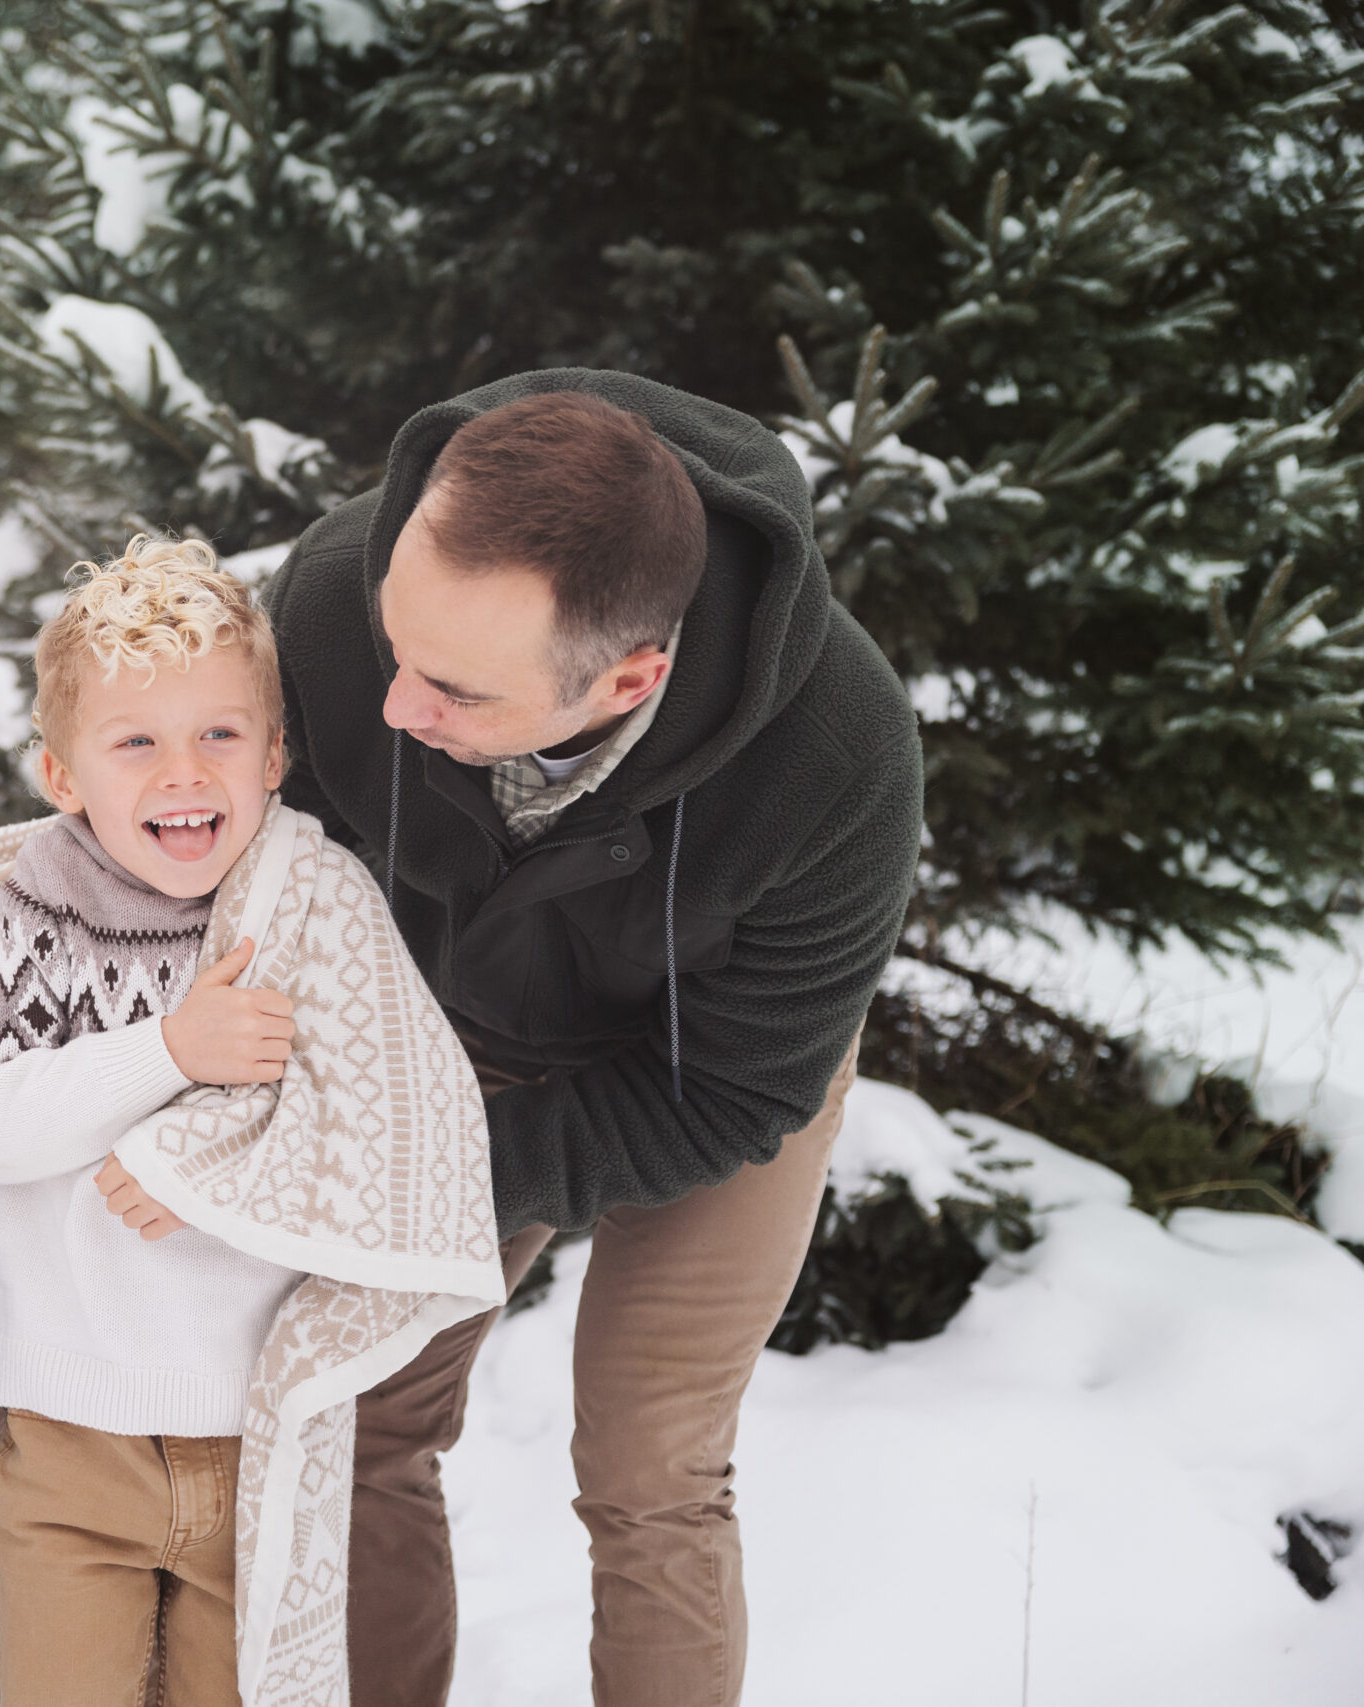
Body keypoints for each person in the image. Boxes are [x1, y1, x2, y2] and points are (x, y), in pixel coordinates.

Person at [263, 376, 923, 1707]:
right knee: (357, 1415)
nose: (394, 705)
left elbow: (733, 1090)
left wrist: (441, 1167)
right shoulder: (341, 599)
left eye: (454, 687)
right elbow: (277, 869)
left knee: (651, 1465)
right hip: (451, 1013)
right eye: (398, 646)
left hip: (707, 1073)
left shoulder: (839, 760)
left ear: (631, 678)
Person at [0, 539, 505, 1707]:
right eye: (136, 743)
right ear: (63, 776)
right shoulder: (48, 898)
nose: (183, 775)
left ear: (275, 754)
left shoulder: (317, 904)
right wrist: (168, 1051)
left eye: (218, 734)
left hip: (261, 1428)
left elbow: (396, 1124)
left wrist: (197, 1165)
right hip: (72, 1437)